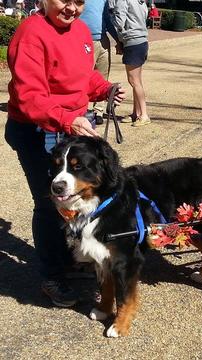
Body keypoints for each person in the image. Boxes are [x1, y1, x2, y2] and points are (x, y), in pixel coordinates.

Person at [5, 0, 126, 307]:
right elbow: (29, 95)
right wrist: (68, 118)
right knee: (50, 204)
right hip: (36, 130)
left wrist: (105, 88)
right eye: (64, 0)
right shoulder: (31, 33)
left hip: (68, 127)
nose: (72, 8)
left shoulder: (82, 31)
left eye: (80, 1)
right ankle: (52, 275)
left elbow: (83, 78)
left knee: (76, 198)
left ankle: (68, 259)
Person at [110, 0, 151, 127]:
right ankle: (136, 113)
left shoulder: (123, 1)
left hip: (132, 41)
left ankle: (144, 115)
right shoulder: (141, 2)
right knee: (136, 81)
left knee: (134, 81)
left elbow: (119, 22)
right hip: (142, 41)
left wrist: (111, 14)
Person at [80, 0, 120, 125]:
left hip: (103, 40)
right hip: (84, 40)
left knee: (103, 77)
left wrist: (118, 40)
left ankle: (98, 111)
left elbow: (107, 20)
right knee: (83, 78)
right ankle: (81, 110)